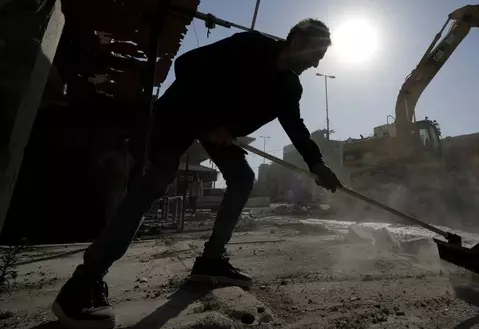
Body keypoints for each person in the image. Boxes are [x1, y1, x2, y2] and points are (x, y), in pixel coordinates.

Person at [51, 19, 343, 329]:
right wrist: (211, 123)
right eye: (316, 54)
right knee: (155, 182)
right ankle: (82, 284)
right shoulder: (250, 45)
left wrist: (318, 165)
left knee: (243, 178)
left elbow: (296, 128)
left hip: (218, 130)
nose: (316, 63)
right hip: (180, 113)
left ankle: (211, 260)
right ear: (297, 41)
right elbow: (187, 64)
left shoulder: (289, 86)